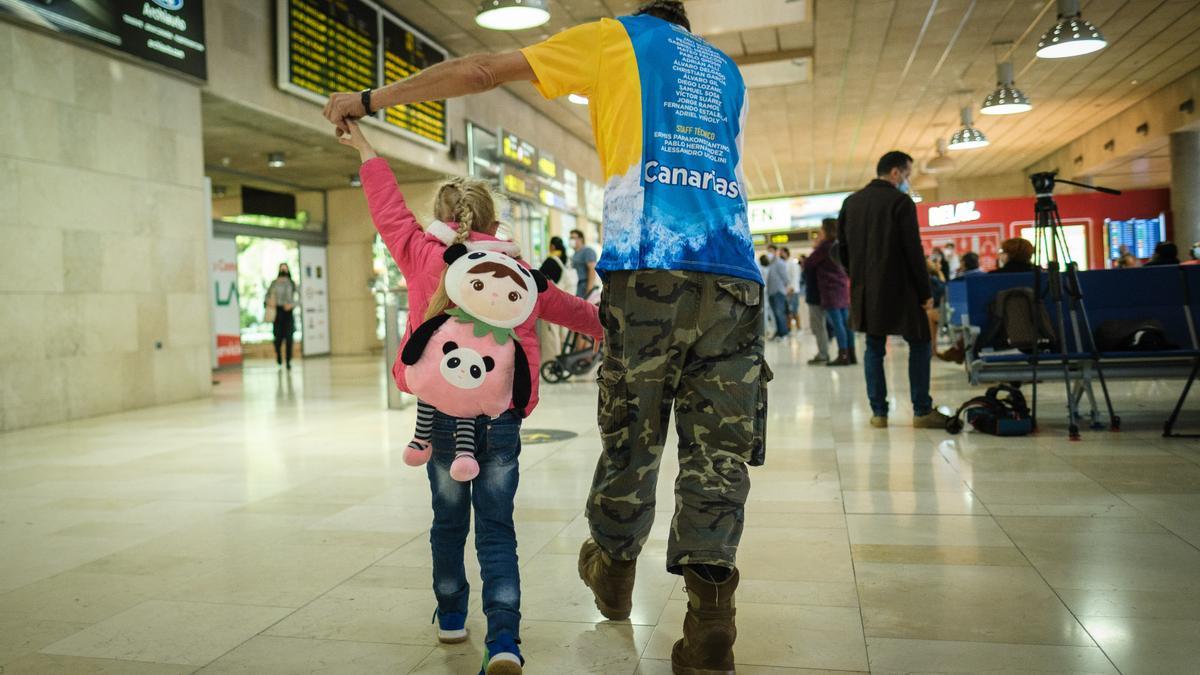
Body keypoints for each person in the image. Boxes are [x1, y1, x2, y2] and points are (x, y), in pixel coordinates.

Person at [324, 2, 767, 671]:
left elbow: (479, 71)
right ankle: (712, 618)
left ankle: (614, 567)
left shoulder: (617, 38)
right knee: (718, 453)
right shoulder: (726, 71)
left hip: (649, 267)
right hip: (736, 275)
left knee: (634, 431)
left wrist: (369, 99)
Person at [338, 120, 602, 673]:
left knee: (447, 520)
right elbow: (582, 315)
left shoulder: (417, 251)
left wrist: (365, 147)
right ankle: (504, 640)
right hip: (501, 417)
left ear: (442, 215)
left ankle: (453, 618)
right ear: (495, 220)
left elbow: (387, 208)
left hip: (438, 417)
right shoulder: (520, 273)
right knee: (498, 529)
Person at [838, 150, 948, 429]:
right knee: (920, 343)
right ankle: (922, 410)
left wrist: (857, 275)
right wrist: (926, 292)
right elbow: (913, 250)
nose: (908, 181)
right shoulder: (900, 202)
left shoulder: (851, 203)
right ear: (896, 172)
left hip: (866, 291)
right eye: (908, 174)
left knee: (874, 348)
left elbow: (841, 249)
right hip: (902, 289)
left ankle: (879, 413)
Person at [807, 218, 854, 366]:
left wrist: (817, 246)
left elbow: (809, 264)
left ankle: (843, 354)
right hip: (843, 288)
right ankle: (851, 354)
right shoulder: (840, 244)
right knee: (846, 323)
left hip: (830, 289)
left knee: (837, 324)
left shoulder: (825, 247)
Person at [538, 236, 573, 363]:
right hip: (567, 301)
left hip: (552, 302)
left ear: (552, 246)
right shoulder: (566, 260)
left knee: (551, 333)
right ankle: (565, 361)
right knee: (563, 333)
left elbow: (539, 278)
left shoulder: (551, 261)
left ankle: (552, 362)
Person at [265, 263, 298, 369]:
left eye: (285, 269)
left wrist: (292, 304)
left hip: (288, 312)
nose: (283, 271)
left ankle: (288, 361)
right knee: (277, 338)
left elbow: (300, 298)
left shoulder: (292, 283)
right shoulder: (274, 283)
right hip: (278, 312)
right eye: (282, 269)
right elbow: (266, 297)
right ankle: (279, 356)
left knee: (289, 338)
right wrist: (269, 302)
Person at [802, 249, 831, 364]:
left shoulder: (816, 263)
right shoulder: (822, 262)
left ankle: (823, 354)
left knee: (819, 326)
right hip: (817, 297)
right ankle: (823, 352)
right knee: (819, 326)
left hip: (815, 298)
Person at [766, 245, 791, 340]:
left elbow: (785, 278)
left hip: (778, 292)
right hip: (771, 292)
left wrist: (786, 288)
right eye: (768, 251)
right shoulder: (769, 264)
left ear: (776, 252)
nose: (769, 253)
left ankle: (784, 333)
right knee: (775, 314)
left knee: (779, 312)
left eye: (771, 250)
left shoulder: (780, 263)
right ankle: (779, 332)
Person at [568, 229, 598, 298]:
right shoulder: (574, 254)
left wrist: (589, 290)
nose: (571, 240)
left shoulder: (587, 251)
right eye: (570, 238)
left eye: (573, 238)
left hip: (584, 288)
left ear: (580, 239)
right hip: (576, 288)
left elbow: (592, 270)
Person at [783, 248, 803, 332]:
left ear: (786, 253)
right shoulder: (784, 263)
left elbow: (795, 277)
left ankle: (799, 328)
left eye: (782, 252)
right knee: (788, 311)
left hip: (793, 291)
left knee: (794, 310)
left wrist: (791, 288)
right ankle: (789, 328)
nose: (780, 254)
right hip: (786, 291)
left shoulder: (792, 264)